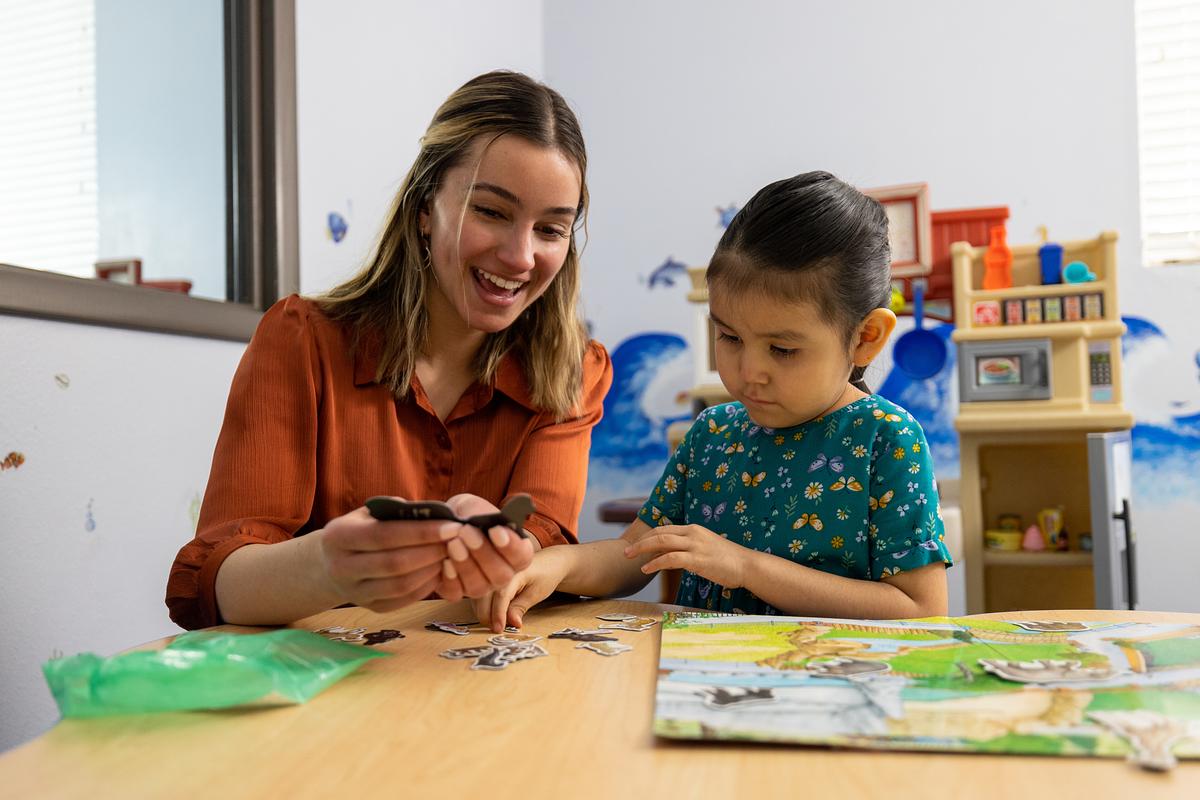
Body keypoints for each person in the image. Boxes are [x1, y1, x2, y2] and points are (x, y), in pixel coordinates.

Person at [166, 70, 612, 630]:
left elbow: (541, 547)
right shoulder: (302, 341)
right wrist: (330, 565)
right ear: (426, 207)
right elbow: (218, 590)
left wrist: (501, 551)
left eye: (551, 229)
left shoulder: (573, 373)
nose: (522, 256)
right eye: (492, 211)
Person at [482, 171, 952, 631]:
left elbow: (920, 610)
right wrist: (559, 563)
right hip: (701, 690)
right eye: (728, 336)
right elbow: (634, 555)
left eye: (783, 349)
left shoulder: (886, 439)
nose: (749, 372)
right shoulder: (713, 434)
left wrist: (746, 568)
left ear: (866, 338)